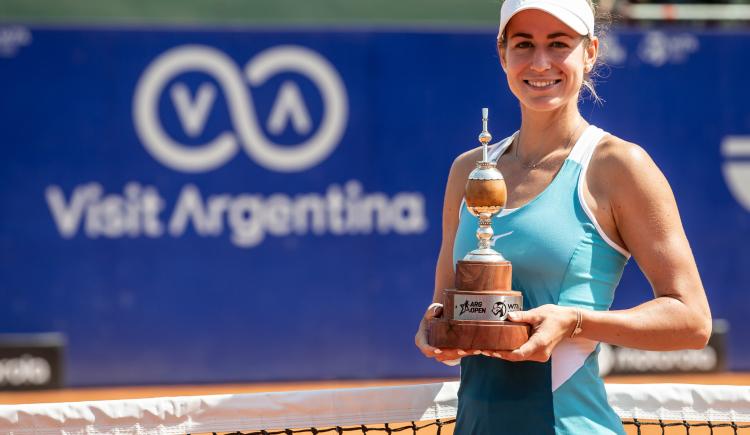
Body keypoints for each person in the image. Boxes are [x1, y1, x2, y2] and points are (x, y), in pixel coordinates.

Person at [413, 0, 712, 433]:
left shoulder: (619, 166)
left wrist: (574, 321)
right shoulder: (468, 171)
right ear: (502, 54)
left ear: (589, 52)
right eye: (523, 44)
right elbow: (446, 303)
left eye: (558, 44)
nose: (540, 62)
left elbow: (692, 321)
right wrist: (436, 328)